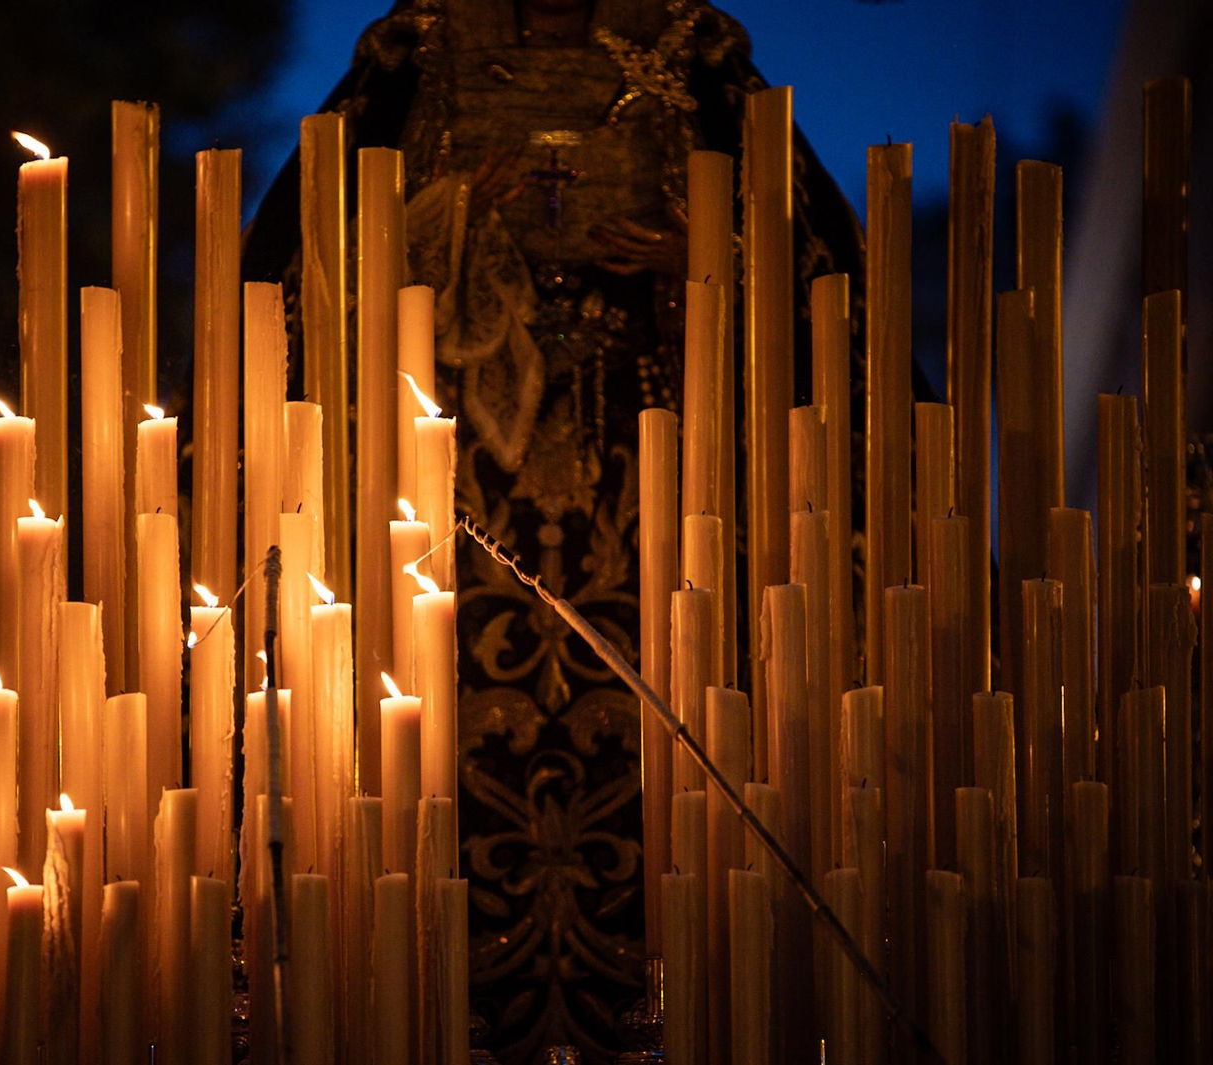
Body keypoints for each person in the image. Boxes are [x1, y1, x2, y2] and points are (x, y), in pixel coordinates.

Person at [244, 1, 866, 1057]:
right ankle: (418, 1001)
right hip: (445, 487)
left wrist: (701, 260)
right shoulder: (413, 55)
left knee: (682, 724)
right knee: (421, 739)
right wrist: (441, 221)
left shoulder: (696, 56)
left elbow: (822, 288)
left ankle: (684, 1008)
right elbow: (309, 277)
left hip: (662, 470)